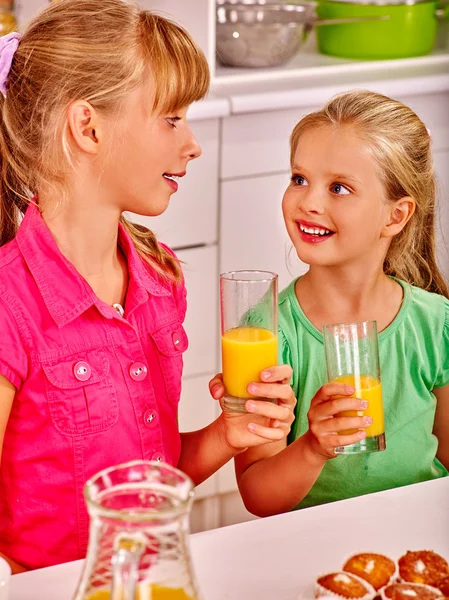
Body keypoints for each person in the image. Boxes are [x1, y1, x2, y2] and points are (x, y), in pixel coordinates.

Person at [0, 0, 296, 572]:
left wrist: (229, 434)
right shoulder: (10, 304)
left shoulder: (159, 279)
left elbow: (150, 479)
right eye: (172, 118)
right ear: (88, 127)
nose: (193, 144)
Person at [213, 90, 449, 517]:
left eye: (338, 187)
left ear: (395, 216)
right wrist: (313, 448)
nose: (309, 202)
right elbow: (258, 497)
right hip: (312, 548)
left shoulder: (436, 324)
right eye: (299, 179)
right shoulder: (265, 334)